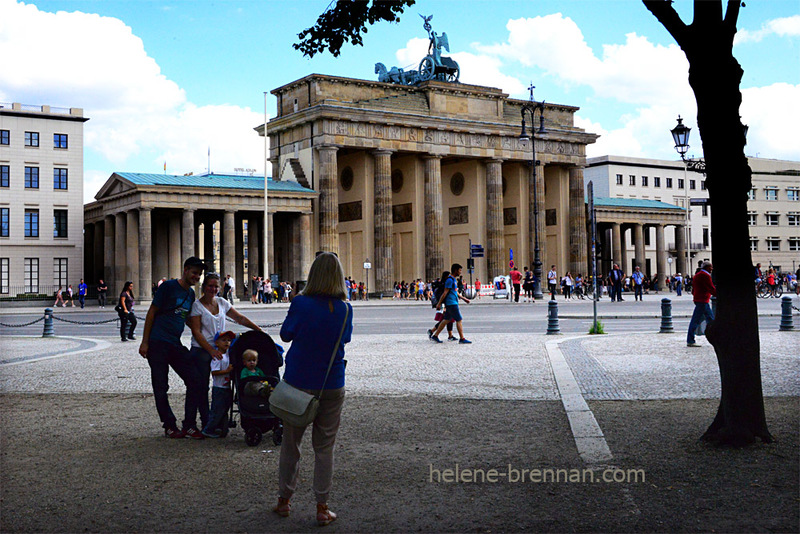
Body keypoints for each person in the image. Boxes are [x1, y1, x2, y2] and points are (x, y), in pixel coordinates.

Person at [273, 252, 354, 526]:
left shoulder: (300, 302)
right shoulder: (345, 308)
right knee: (324, 448)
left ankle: (284, 500)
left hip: (298, 383)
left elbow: (286, 334)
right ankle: (322, 507)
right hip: (331, 383)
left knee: (291, 444)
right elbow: (346, 338)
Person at [138, 256, 207, 439]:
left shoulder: (191, 295)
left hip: (175, 344)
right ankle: (169, 425)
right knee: (161, 386)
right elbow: (152, 312)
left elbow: (187, 319)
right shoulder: (168, 287)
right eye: (194, 273)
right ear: (185, 270)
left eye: (199, 275)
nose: (197, 277)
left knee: (195, 380)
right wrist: (145, 342)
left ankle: (189, 425)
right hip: (158, 343)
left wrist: (204, 338)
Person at [188, 272, 262, 433]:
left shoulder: (221, 302)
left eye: (216, 286)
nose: (213, 289)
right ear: (204, 287)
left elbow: (240, 318)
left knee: (221, 386)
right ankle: (204, 420)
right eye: (210, 286)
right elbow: (196, 332)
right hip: (201, 350)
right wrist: (210, 350)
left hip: (221, 350)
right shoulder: (197, 306)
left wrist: (258, 330)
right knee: (201, 387)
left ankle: (217, 421)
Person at [201, 331, 235, 438]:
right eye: (224, 340)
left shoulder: (228, 354)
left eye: (229, 340)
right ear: (217, 343)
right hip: (219, 388)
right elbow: (214, 372)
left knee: (224, 409)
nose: (227, 342)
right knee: (217, 410)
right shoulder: (217, 356)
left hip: (226, 387)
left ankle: (220, 427)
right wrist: (227, 370)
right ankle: (208, 429)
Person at [430, 263, 472, 344]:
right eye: (459, 270)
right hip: (451, 303)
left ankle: (435, 336)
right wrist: (439, 304)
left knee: (446, 319)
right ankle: (462, 338)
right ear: (455, 270)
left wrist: (464, 299)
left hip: (452, 302)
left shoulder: (453, 280)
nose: (460, 272)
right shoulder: (449, 280)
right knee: (459, 319)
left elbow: (455, 292)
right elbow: (445, 293)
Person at [687, 261, 716, 347]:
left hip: (700, 300)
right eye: (711, 267)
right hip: (703, 300)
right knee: (698, 321)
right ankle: (690, 340)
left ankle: (715, 337)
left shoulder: (698, 274)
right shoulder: (705, 275)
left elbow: (693, 289)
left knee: (710, 319)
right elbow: (711, 287)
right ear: (707, 267)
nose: (712, 269)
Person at [428, 271, 456, 341]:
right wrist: (443, 306)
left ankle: (449, 335)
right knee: (446, 320)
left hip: (446, 304)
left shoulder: (445, 283)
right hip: (444, 304)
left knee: (448, 319)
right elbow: (443, 295)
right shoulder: (444, 284)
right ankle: (434, 332)